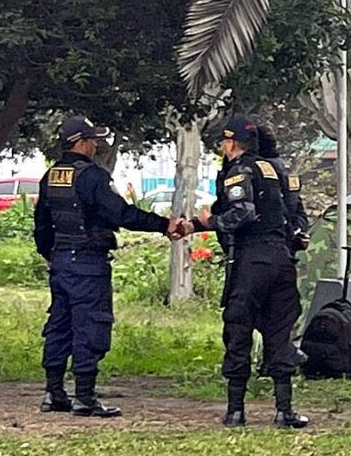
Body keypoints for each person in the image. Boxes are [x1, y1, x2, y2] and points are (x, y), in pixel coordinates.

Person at [33, 116, 189, 418]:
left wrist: (49, 254)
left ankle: (53, 393)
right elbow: (121, 213)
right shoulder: (92, 177)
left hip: (61, 262)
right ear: (80, 142)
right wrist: (162, 225)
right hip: (88, 263)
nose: (96, 144)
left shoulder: (51, 175)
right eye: (92, 140)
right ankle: (85, 397)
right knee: (90, 324)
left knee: (59, 325)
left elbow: (41, 224)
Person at [189, 116, 308, 429]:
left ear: (231, 143)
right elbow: (292, 214)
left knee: (239, 328)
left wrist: (208, 223)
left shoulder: (240, 170)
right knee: (280, 332)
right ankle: (284, 411)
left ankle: (236, 410)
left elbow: (242, 212)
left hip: (251, 260)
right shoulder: (275, 170)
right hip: (281, 260)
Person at [256, 124, 311, 259]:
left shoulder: (257, 173)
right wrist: (294, 231)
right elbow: (301, 215)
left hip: (261, 250)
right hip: (286, 251)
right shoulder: (287, 172)